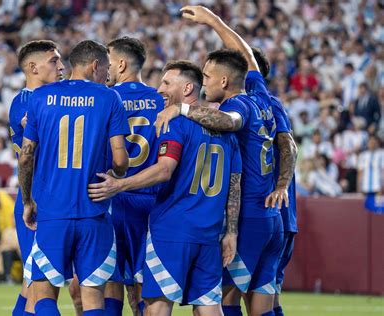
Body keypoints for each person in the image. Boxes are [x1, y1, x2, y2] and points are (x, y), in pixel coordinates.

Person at [155, 6, 284, 316]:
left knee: (222, 303)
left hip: (248, 217)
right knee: (263, 306)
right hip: (271, 221)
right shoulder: (261, 95)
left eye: (208, 76)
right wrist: (213, 21)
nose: (203, 82)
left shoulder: (238, 104)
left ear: (225, 81)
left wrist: (182, 110)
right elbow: (248, 58)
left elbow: (229, 122)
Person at [88, 60, 242, 316]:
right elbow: (234, 185)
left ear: (188, 89)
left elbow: (164, 170)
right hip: (209, 233)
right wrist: (231, 232)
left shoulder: (176, 123)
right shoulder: (228, 133)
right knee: (209, 309)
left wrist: (119, 185)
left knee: (157, 308)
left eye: (167, 83)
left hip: (172, 230)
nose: (159, 88)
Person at [18, 40, 129, 316]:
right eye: (106, 68)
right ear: (95, 66)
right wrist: (116, 177)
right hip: (93, 211)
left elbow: (26, 156)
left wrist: (28, 200)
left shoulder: (40, 97)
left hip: (52, 212)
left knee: (43, 293)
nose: (107, 75)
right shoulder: (108, 97)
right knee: (92, 297)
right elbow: (120, 160)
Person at [104, 36, 164, 316]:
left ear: (122, 63)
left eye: (109, 60)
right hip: (151, 201)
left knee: (108, 280)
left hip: (113, 197)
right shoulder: (161, 101)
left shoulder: (105, 98)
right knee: (142, 286)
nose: (106, 67)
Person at [8, 39, 65, 316]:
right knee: (38, 288)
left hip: (51, 198)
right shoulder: (25, 103)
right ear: (32, 67)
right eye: (54, 61)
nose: (62, 66)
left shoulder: (50, 97)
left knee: (31, 284)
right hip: (36, 201)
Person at [252, 48, 298, 316]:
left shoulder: (268, 104)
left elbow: (289, 146)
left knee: (239, 295)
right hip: (274, 215)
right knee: (265, 297)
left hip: (271, 213)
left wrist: (281, 187)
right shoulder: (257, 106)